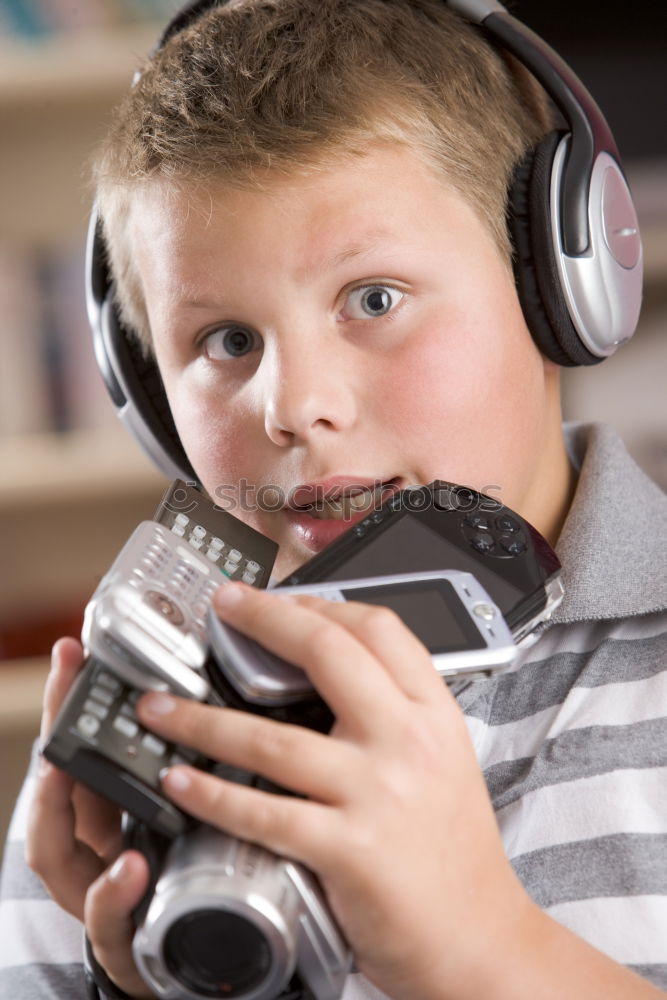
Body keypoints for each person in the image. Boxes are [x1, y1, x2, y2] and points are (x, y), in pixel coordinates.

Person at [1, 0, 666, 997]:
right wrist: (136, 982)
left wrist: (484, 949)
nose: (295, 406)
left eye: (374, 299)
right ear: (147, 393)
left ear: (560, 291)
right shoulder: (157, 713)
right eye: (226, 341)